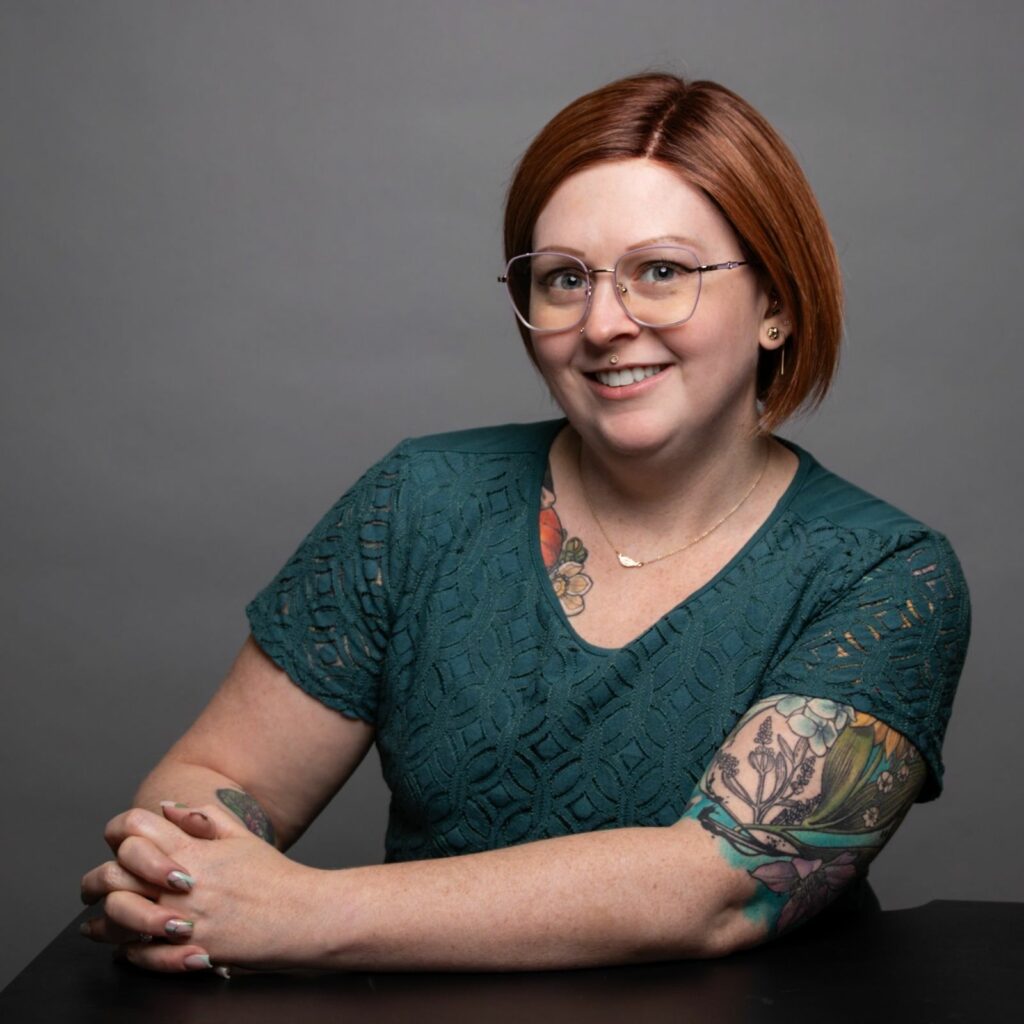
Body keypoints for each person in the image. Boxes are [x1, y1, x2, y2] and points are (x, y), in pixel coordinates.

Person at [79, 72, 970, 974]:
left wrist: (296, 911)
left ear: (776, 304)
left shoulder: (886, 574)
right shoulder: (419, 500)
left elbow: (722, 886)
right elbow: (217, 777)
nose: (603, 323)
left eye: (661, 272)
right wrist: (181, 870)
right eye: (563, 280)